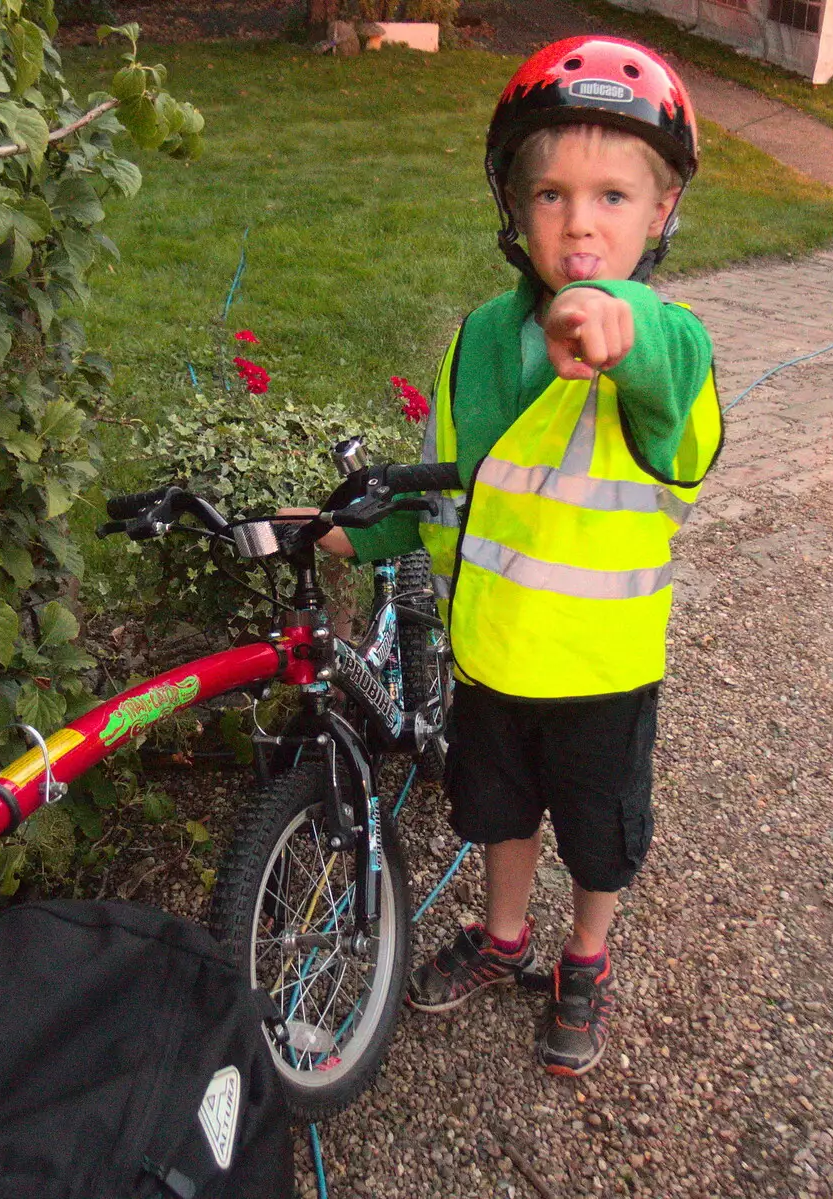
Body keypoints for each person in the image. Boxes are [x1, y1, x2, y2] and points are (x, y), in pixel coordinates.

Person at [301, 36, 722, 1077]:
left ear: (661, 212)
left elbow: (674, 405)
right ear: (511, 204)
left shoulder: (665, 345)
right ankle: (504, 937)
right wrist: (343, 526)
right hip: (492, 656)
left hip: (599, 668)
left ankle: (586, 955)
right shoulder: (482, 340)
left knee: (597, 835)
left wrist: (621, 328)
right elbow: (452, 492)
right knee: (494, 813)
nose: (579, 221)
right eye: (549, 192)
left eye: (614, 196)